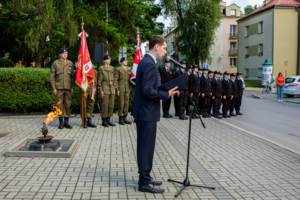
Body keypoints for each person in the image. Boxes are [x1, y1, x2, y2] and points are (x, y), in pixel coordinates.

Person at [131, 35, 179, 194]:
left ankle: (145, 177)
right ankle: (144, 182)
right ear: (156, 47)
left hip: (144, 112)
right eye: (164, 48)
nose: (166, 52)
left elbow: (148, 88)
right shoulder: (150, 64)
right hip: (146, 113)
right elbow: (147, 91)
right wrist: (166, 94)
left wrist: (164, 89)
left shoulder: (145, 61)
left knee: (144, 147)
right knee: (146, 148)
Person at [50, 48, 74, 129]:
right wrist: (54, 88)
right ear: (60, 54)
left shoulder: (70, 63)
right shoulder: (55, 63)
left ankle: (66, 122)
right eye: (63, 53)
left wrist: (72, 87)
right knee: (59, 105)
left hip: (68, 87)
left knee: (67, 104)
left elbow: (72, 77)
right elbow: (52, 76)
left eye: (66, 53)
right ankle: (61, 122)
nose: (65, 55)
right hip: (59, 87)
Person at [97, 55, 116, 127]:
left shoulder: (112, 68)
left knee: (111, 105)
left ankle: (109, 119)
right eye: (108, 59)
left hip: (111, 88)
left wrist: (114, 88)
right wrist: (101, 90)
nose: (109, 60)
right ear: (104, 60)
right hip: (105, 87)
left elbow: (114, 79)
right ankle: (104, 120)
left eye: (110, 59)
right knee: (105, 105)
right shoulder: (101, 68)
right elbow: (99, 80)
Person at [115, 57, 132, 125]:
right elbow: (116, 80)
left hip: (126, 89)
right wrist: (117, 89)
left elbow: (130, 79)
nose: (126, 62)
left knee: (126, 104)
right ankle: (120, 118)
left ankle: (125, 117)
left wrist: (129, 89)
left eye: (126, 60)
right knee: (121, 104)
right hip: (121, 89)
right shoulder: (118, 69)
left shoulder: (128, 69)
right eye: (125, 61)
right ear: (121, 62)